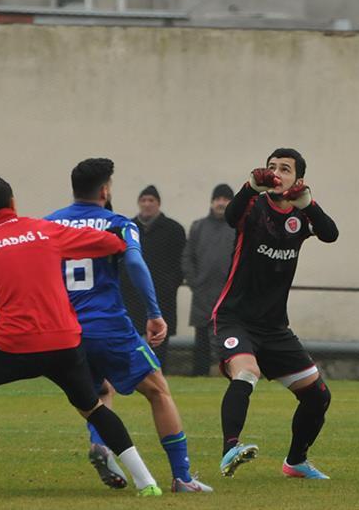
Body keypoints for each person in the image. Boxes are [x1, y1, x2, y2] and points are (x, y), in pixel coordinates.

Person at [0, 176, 162, 496]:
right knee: (92, 407)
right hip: (64, 342)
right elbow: (108, 243)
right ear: (13, 202)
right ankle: (147, 482)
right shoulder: (42, 229)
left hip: (15, 345)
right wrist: (120, 239)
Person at [45, 159, 212, 493]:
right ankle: (182, 477)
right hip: (108, 326)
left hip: (65, 330)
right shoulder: (118, 223)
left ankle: (101, 445)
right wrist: (154, 312)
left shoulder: (47, 225)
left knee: (99, 392)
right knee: (158, 390)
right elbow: (135, 262)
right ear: (105, 190)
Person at [213, 148, 339, 480]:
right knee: (247, 372)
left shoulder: (301, 215)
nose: (277, 173)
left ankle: (295, 462)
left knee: (318, 397)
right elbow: (231, 217)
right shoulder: (254, 207)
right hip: (235, 318)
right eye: (272, 167)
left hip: (274, 327)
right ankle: (230, 450)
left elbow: (330, 233)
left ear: (298, 179)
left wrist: (309, 203)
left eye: (285, 169)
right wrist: (249, 187)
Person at [121, 185, 186, 374]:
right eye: (143, 200)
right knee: (131, 336)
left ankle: (158, 373)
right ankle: (132, 374)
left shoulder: (173, 229)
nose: (147, 204)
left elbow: (181, 261)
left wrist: (170, 283)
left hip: (162, 295)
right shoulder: (128, 229)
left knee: (159, 340)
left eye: (151, 200)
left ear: (158, 203)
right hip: (132, 295)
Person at [182, 183, 236, 376]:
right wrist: (194, 282)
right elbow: (187, 257)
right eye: (217, 199)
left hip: (229, 293)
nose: (221, 203)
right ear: (212, 202)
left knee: (230, 336)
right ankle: (200, 373)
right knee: (202, 338)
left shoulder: (238, 228)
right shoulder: (198, 227)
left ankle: (231, 373)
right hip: (202, 293)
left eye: (225, 199)